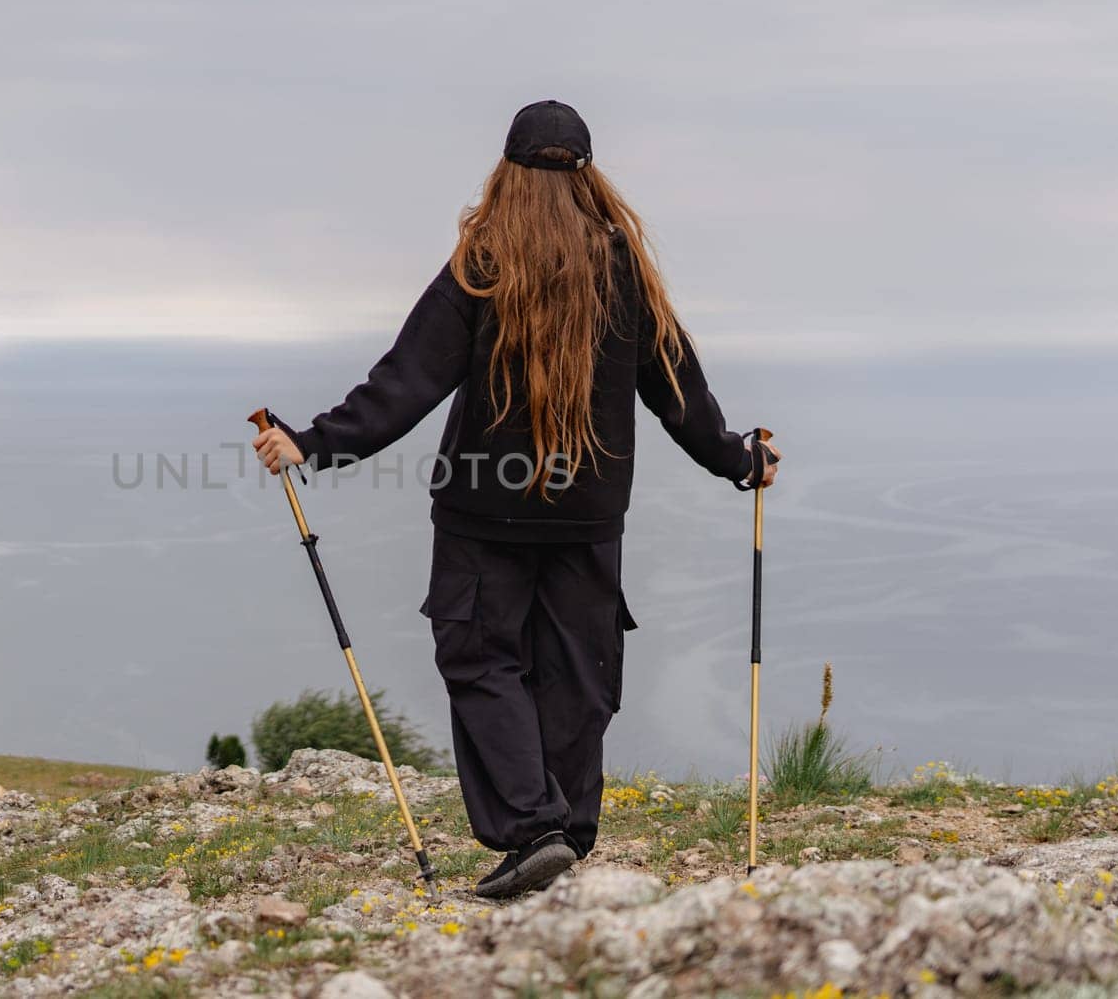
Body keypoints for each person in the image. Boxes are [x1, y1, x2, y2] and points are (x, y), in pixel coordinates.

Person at [252, 99, 781, 899]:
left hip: (482, 510)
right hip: (588, 512)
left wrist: (315, 443)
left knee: (480, 657)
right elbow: (677, 388)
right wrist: (739, 458)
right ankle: (565, 832)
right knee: (578, 668)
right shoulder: (623, 268)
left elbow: (409, 378)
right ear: (588, 176)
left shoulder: (484, 261)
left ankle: (536, 830)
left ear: (507, 171)